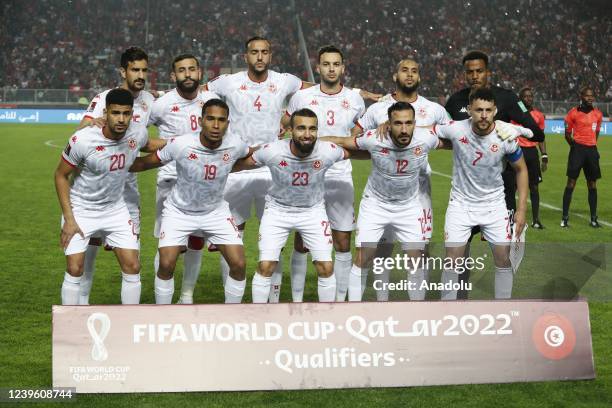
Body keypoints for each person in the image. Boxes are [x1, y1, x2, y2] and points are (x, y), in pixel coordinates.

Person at [205, 36, 380, 303]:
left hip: (296, 172)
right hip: (248, 167)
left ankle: (285, 300)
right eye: (255, 52)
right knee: (231, 239)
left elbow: (326, 95)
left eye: (265, 52)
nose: (260, 57)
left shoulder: (287, 81)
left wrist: (357, 94)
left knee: (294, 244)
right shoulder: (231, 82)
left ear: (271, 55)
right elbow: (198, 91)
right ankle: (236, 304)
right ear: (246, 56)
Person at [444, 50, 545, 299]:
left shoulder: (508, 98)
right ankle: (459, 299)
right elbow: (447, 137)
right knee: (459, 252)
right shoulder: (454, 102)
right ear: (464, 73)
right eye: (470, 71)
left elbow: (536, 132)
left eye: (480, 71)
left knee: (504, 255)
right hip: (465, 192)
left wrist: (513, 127)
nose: (475, 76)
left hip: (502, 189)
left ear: (488, 72)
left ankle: (503, 307)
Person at [130, 99, 251, 303]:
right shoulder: (181, 144)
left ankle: (233, 313)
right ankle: (164, 315)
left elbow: (250, 157)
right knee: (167, 264)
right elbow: (143, 164)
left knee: (238, 264)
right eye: (210, 119)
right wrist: (110, 161)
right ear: (200, 121)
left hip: (215, 212)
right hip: (179, 212)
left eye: (221, 120)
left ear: (227, 124)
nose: (215, 125)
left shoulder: (235, 144)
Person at [351, 58, 450, 301]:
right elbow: (355, 137)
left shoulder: (434, 109)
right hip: (383, 189)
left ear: (419, 77)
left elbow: (454, 135)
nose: (409, 75)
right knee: (381, 250)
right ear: (395, 76)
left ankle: (416, 305)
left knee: (418, 252)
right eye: (404, 70)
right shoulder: (378, 109)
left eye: (414, 71)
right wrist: (381, 140)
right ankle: (382, 301)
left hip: (419, 191)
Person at [54, 88, 165, 305]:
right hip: (81, 209)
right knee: (75, 267)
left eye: (126, 113)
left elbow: (148, 146)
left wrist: (180, 144)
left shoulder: (137, 132)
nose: (122, 119)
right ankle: (71, 324)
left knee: (133, 266)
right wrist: (69, 219)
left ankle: (129, 322)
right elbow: (60, 176)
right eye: (116, 113)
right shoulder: (83, 140)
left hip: (115, 209)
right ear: (106, 113)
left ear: (132, 113)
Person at [323, 102, 441, 301]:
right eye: (397, 123)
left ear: (415, 123)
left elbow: (461, 137)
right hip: (375, 205)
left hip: (409, 207)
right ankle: (354, 311)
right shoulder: (374, 139)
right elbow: (341, 140)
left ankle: (418, 312)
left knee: (416, 260)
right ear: (388, 124)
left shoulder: (427, 138)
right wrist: (304, 141)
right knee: (363, 258)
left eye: (408, 123)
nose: (404, 129)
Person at [232, 108, 351, 303]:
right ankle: (259, 315)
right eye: (301, 128)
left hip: (313, 211)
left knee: (326, 267)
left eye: (312, 129)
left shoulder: (328, 151)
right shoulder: (273, 151)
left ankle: (327, 318)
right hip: (278, 211)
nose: (307, 134)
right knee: (266, 266)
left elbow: (355, 152)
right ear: (290, 130)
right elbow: (242, 164)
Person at [282, 45, 365, 302]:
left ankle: (339, 301)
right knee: (301, 241)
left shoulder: (354, 99)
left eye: (336, 64)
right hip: (307, 177)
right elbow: (285, 126)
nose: (331, 68)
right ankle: (296, 301)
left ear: (342, 68)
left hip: (339, 176)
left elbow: (359, 134)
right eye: (326, 64)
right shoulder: (302, 98)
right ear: (318, 68)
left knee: (342, 241)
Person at [75, 46, 154, 305]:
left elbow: (146, 140)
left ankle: (128, 315)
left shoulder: (150, 100)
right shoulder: (105, 98)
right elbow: (84, 127)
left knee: (132, 259)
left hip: (127, 192)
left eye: (144, 69)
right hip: (98, 191)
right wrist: (94, 122)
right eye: (135, 70)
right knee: (90, 251)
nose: (140, 75)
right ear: (123, 71)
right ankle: (82, 303)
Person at [434, 88, 531, 300]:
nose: (484, 115)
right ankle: (446, 312)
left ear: (495, 110)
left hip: (494, 206)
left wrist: (521, 209)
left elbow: (522, 170)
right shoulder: (455, 129)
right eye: (478, 110)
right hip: (460, 205)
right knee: (452, 260)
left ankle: (502, 311)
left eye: (488, 110)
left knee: (503, 259)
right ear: (469, 110)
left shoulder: (506, 137)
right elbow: (425, 130)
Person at [148, 53, 219, 304]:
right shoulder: (162, 104)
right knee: (169, 244)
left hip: (204, 182)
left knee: (197, 240)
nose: (187, 74)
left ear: (200, 73)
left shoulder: (212, 100)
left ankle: (186, 296)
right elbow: (139, 131)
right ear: (173, 75)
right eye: (181, 70)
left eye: (191, 69)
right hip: (171, 179)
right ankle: (163, 302)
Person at [561, 87, 603, 228]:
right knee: (571, 183)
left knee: (592, 184)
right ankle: (564, 218)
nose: (590, 98)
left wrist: (591, 144)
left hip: (591, 150)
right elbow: (567, 134)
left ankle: (593, 219)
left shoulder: (598, 114)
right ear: (582, 96)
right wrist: (574, 146)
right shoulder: (573, 113)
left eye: (592, 96)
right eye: (587, 96)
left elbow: (596, 133)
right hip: (577, 150)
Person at [517, 87, 548, 229]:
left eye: (530, 96)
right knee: (513, 186)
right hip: (517, 152)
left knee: (534, 187)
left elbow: (541, 137)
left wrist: (544, 155)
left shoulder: (539, 115)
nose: (528, 98)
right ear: (521, 98)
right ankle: (511, 217)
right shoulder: (515, 114)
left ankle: (536, 220)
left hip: (532, 154)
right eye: (525, 96)